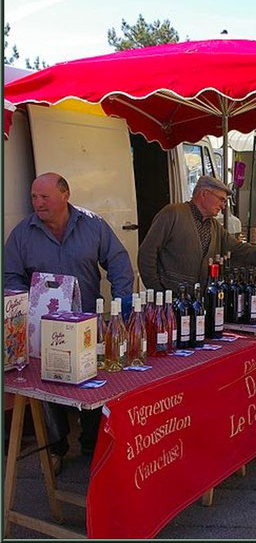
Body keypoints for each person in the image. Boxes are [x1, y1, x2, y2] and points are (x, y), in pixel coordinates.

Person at [5, 172, 134, 473]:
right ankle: (57, 448)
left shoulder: (93, 225)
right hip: (44, 326)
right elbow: (9, 275)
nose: (38, 203)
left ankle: (92, 445)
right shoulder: (23, 233)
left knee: (91, 382)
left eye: (44, 196)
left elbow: (118, 262)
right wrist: (26, 302)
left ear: (65, 194)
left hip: (88, 321)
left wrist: (121, 303)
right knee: (47, 386)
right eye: (34, 196)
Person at [139, 175, 256, 294]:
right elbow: (147, 254)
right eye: (221, 200)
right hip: (170, 298)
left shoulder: (214, 226)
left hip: (197, 301)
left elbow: (239, 249)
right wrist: (157, 291)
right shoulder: (173, 214)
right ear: (204, 194)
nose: (223, 206)